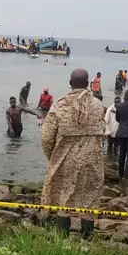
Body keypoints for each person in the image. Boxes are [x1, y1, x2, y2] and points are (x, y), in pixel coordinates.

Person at [41, 69, 105, 238]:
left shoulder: (60, 104)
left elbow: (47, 137)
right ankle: (87, 239)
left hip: (66, 158)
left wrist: (53, 157)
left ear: (70, 83)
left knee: (64, 197)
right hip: (92, 159)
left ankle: (63, 239)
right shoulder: (98, 105)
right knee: (89, 198)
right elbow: (102, 134)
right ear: (88, 84)